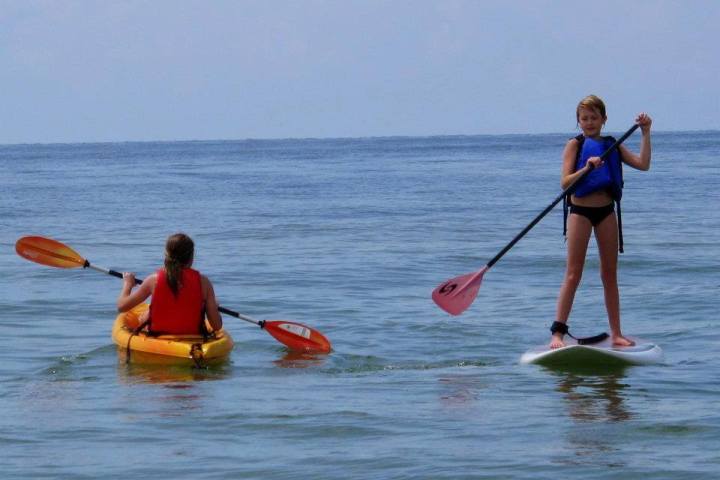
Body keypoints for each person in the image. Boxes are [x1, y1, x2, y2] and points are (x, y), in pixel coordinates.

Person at [551, 95, 652, 349]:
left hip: (606, 212)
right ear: (578, 121)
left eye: (594, 118)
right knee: (573, 273)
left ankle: (616, 333)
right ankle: (557, 335)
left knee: (609, 274)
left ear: (604, 119)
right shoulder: (574, 145)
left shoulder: (612, 145)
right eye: (584, 118)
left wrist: (645, 133)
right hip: (580, 213)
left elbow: (643, 164)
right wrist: (587, 168)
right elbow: (565, 183)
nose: (589, 122)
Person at [117, 233, 222, 335]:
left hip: (157, 335)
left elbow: (122, 306)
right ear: (191, 257)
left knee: (145, 315)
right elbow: (217, 326)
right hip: (192, 337)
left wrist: (128, 284)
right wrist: (213, 308)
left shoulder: (153, 280)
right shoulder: (205, 282)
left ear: (167, 254)